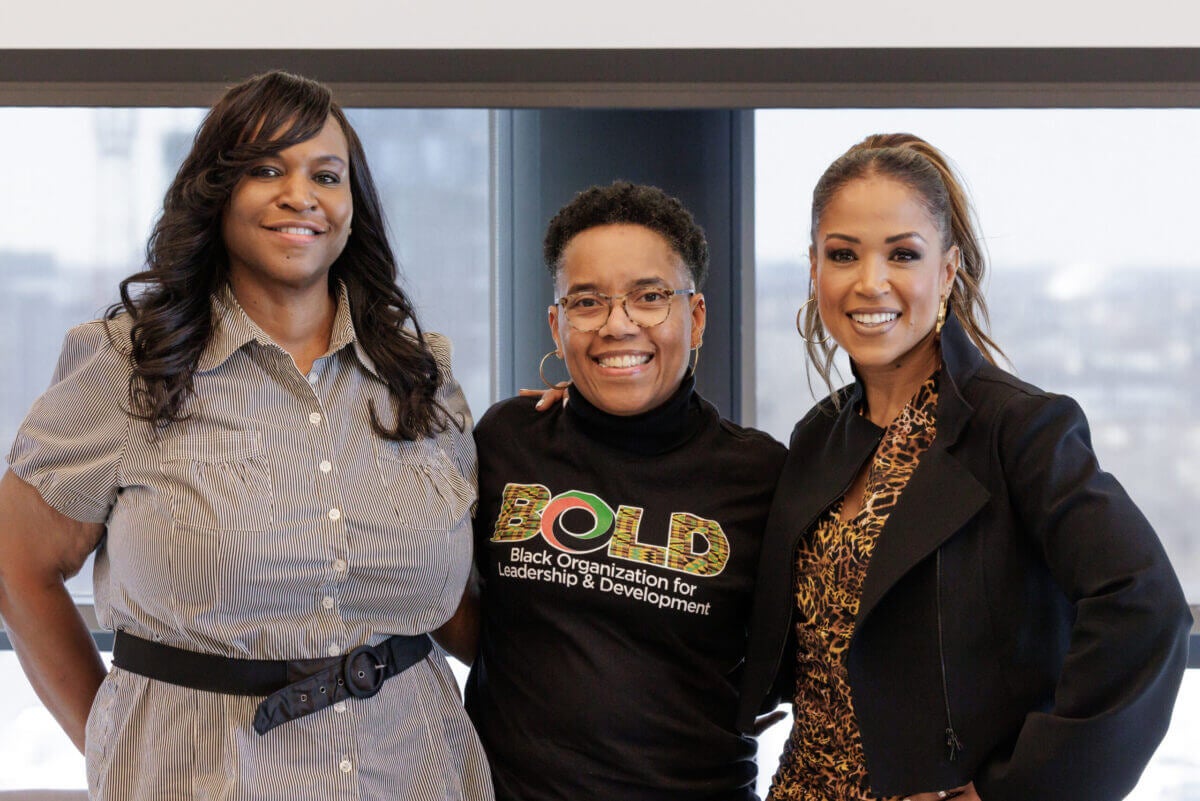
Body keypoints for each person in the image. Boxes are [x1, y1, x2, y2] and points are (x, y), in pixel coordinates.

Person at [0, 71, 492, 800]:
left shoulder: (419, 376)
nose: (301, 194)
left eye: (326, 174)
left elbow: (455, 603)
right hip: (197, 777)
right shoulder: (129, 365)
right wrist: (107, 739)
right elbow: (19, 563)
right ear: (217, 192)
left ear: (352, 207)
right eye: (266, 169)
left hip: (416, 772)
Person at [737, 133, 1192, 801]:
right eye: (843, 254)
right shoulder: (817, 437)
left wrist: (1013, 789)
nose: (870, 281)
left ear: (946, 271)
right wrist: (591, 411)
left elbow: (1145, 608)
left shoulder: (1019, 429)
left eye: (902, 254)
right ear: (813, 269)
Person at [460, 181, 787, 800]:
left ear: (694, 318)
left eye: (650, 297)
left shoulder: (762, 476)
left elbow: (809, 659)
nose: (618, 324)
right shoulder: (507, 440)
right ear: (557, 327)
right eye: (586, 302)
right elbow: (443, 594)